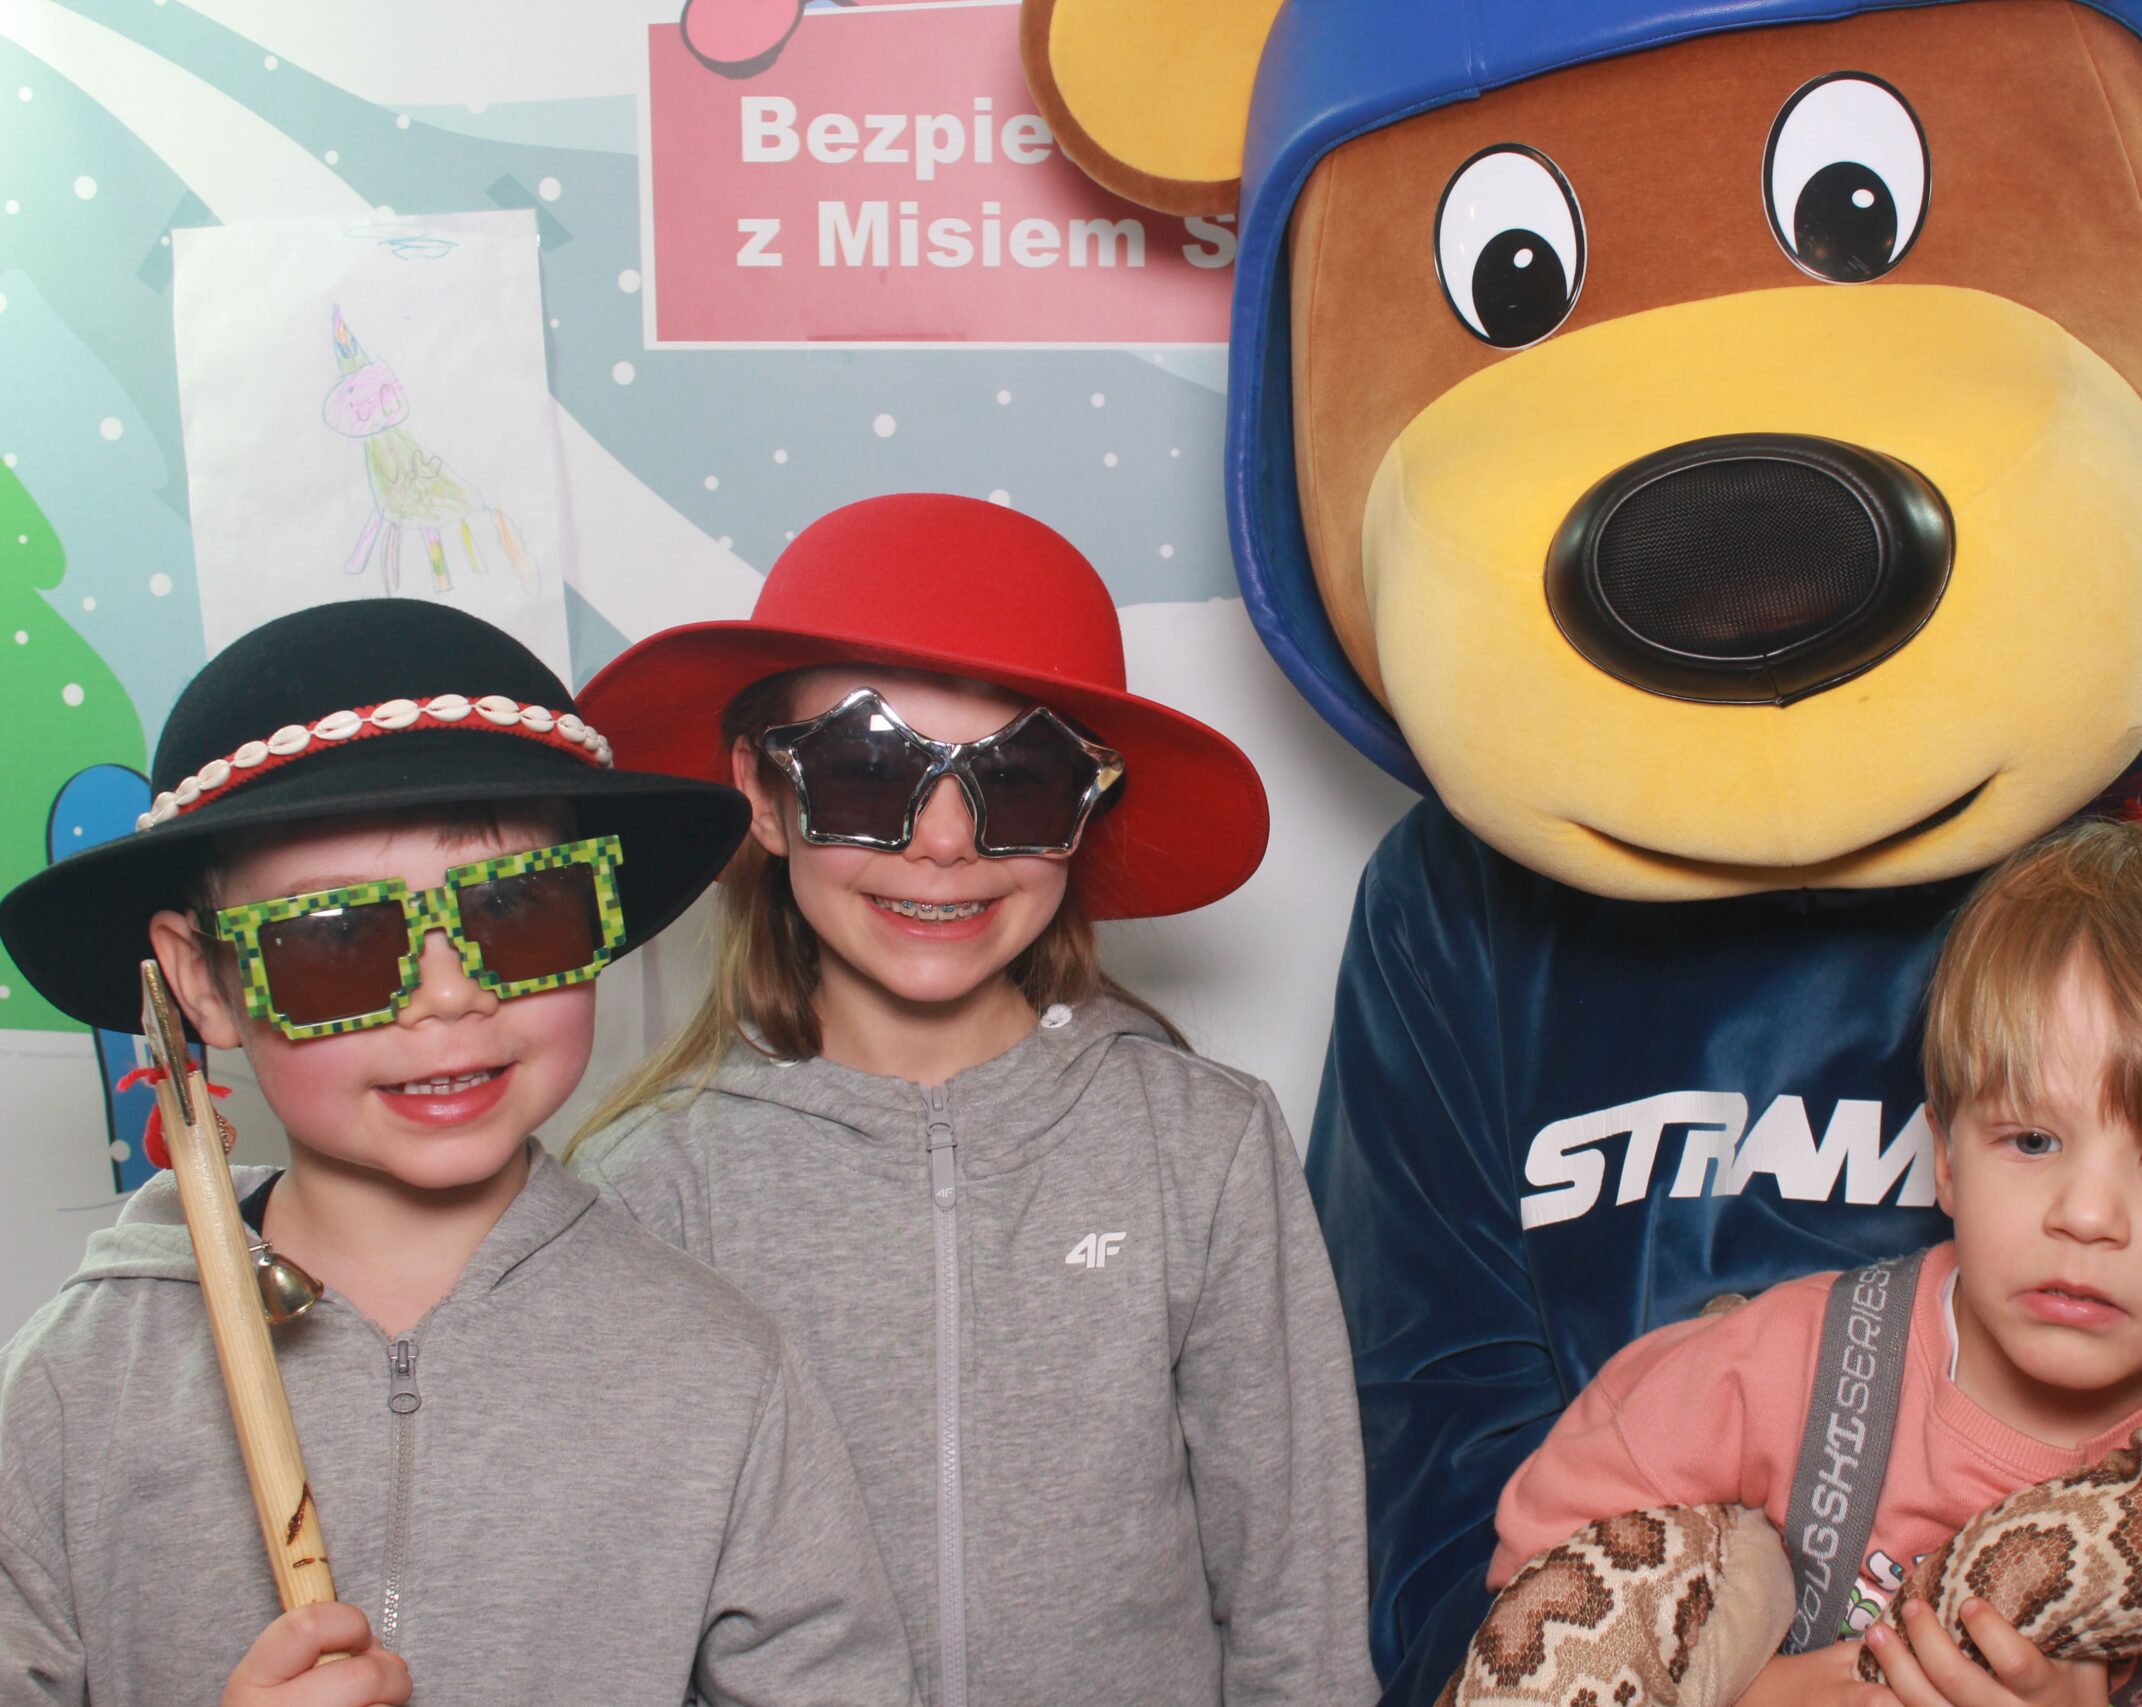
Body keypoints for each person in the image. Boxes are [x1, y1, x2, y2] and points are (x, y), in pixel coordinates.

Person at [0, 601, 920, 1707]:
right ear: (203, 981)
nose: (448, 995)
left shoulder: (722, 1371)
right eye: (339, 939)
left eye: (520, 912)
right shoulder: (74, 1384)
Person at [567, 493, 1376, 1707]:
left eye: (1020, 780)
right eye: (865, 771)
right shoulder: (650, 1188)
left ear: (1085, 809)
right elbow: (624, 1613)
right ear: (764, 796)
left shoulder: (1200, 1144)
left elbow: (1293, 1591)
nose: (944, 841)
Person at [1487, 818, 2142, 1705]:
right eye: (2031, 1141)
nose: (2086, 1215)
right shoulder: (1793, 1364)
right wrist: (1750, 1690)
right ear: (1946, 1157)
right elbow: (1547, 1544)